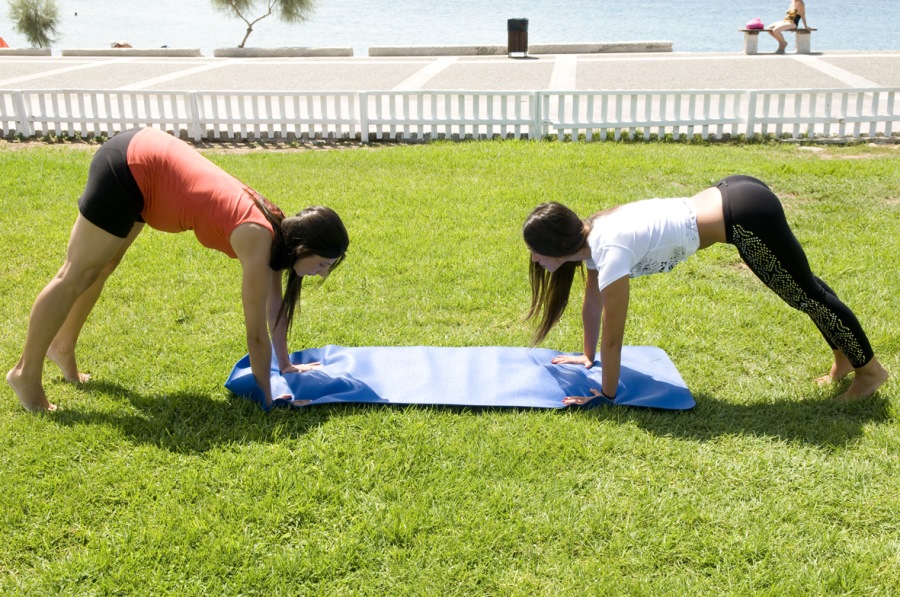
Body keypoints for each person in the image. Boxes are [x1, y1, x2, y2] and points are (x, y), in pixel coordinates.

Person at [6, 127, 349, 413]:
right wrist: (268, 401)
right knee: (76, 273)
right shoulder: (259, 236)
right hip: (131, 167)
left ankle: (62, 347)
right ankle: (25, 373)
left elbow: (275, 309)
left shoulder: (280, 234)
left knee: (104, 265)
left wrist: (285, 365)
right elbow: (256, 333)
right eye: (322, 264)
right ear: (303, 248)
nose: (321, 274)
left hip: (151, 173)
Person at [522, 175, 889, 405]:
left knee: (806, 294)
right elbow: (592, 305)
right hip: (733, 192)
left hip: (745, 217)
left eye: (536, 251)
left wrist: (606, 394)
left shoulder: (609, 249)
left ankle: (870, 372)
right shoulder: (593, 234)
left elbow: (614, 339)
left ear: (556, 246)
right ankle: (845, 359)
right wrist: (587, 358)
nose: (535, 259)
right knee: (805, 291)